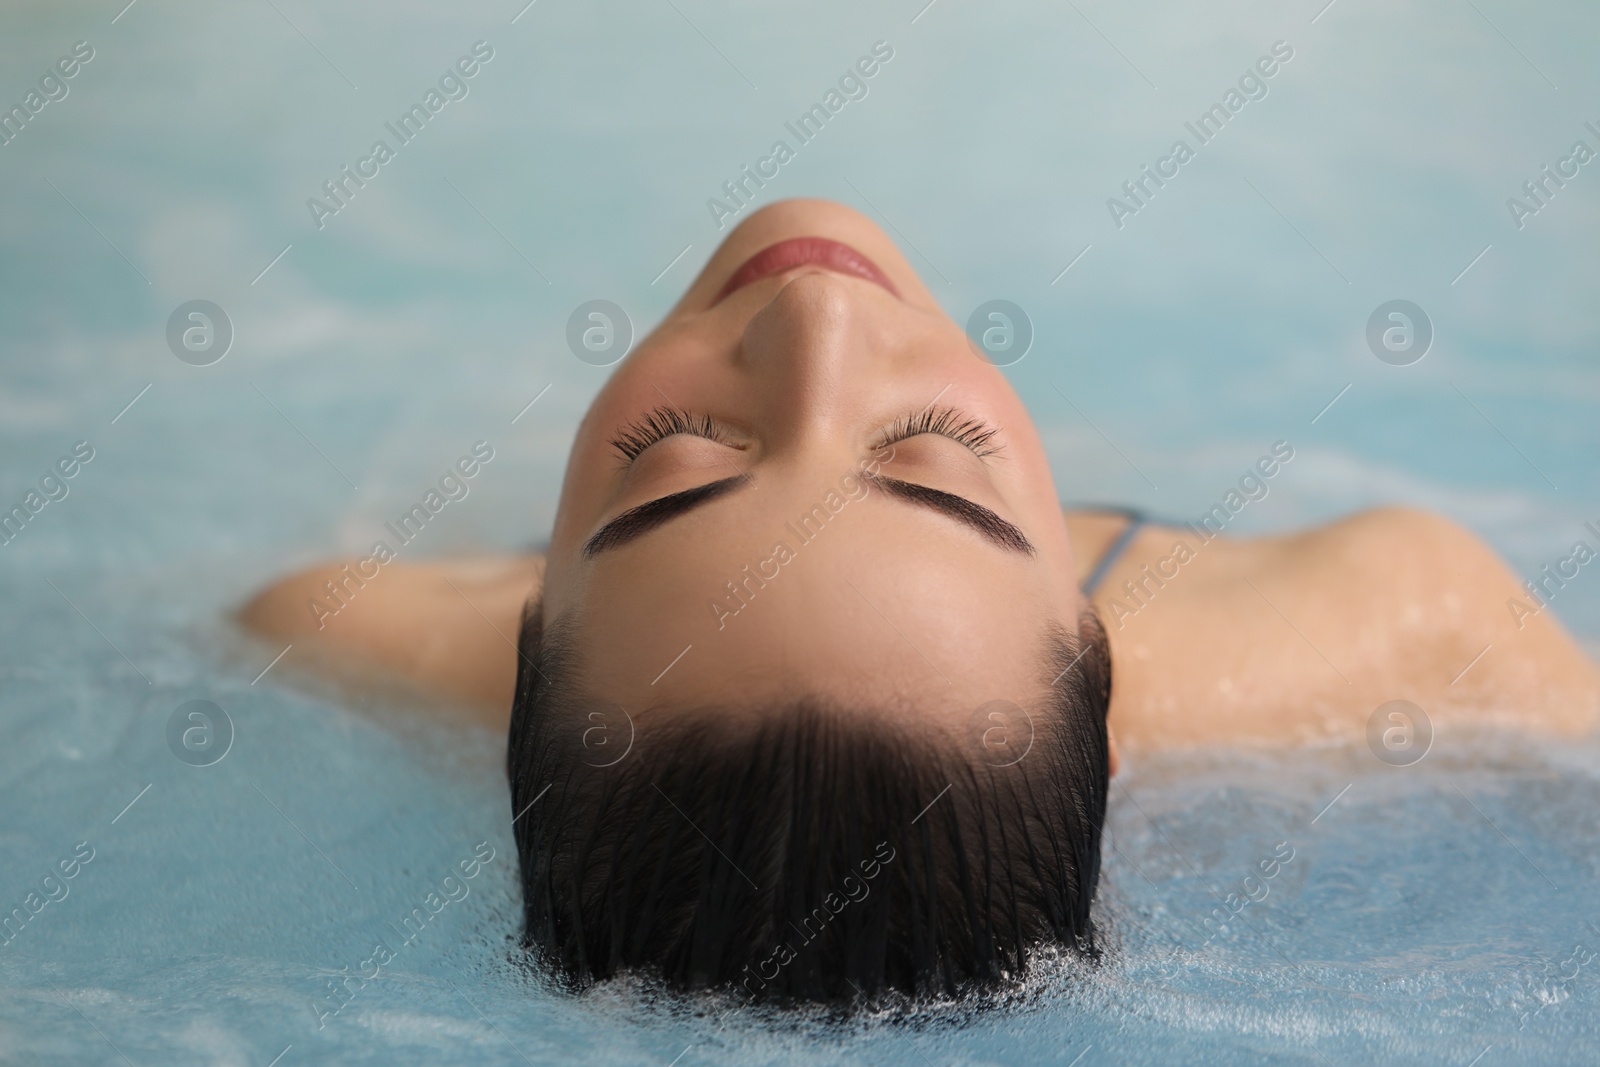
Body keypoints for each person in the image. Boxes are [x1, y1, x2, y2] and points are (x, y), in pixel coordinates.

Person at [241, 198, 1600, 1003]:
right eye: (939, 464)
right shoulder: (1418, 625)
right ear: (1101, 689)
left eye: (672, 464)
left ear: (521, 668)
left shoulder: (332, 630)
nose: (822, 328)